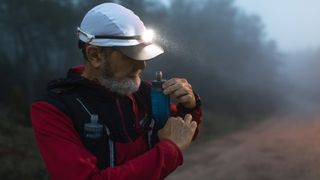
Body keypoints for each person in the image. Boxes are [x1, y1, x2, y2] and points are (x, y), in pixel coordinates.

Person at [31, 3, 202, 180]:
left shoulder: (143, 92)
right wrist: (169, 151)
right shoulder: (54, 109)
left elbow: (181, 133)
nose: (143, 65)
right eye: (131, 56)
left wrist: (189, 106)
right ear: (95, 56)